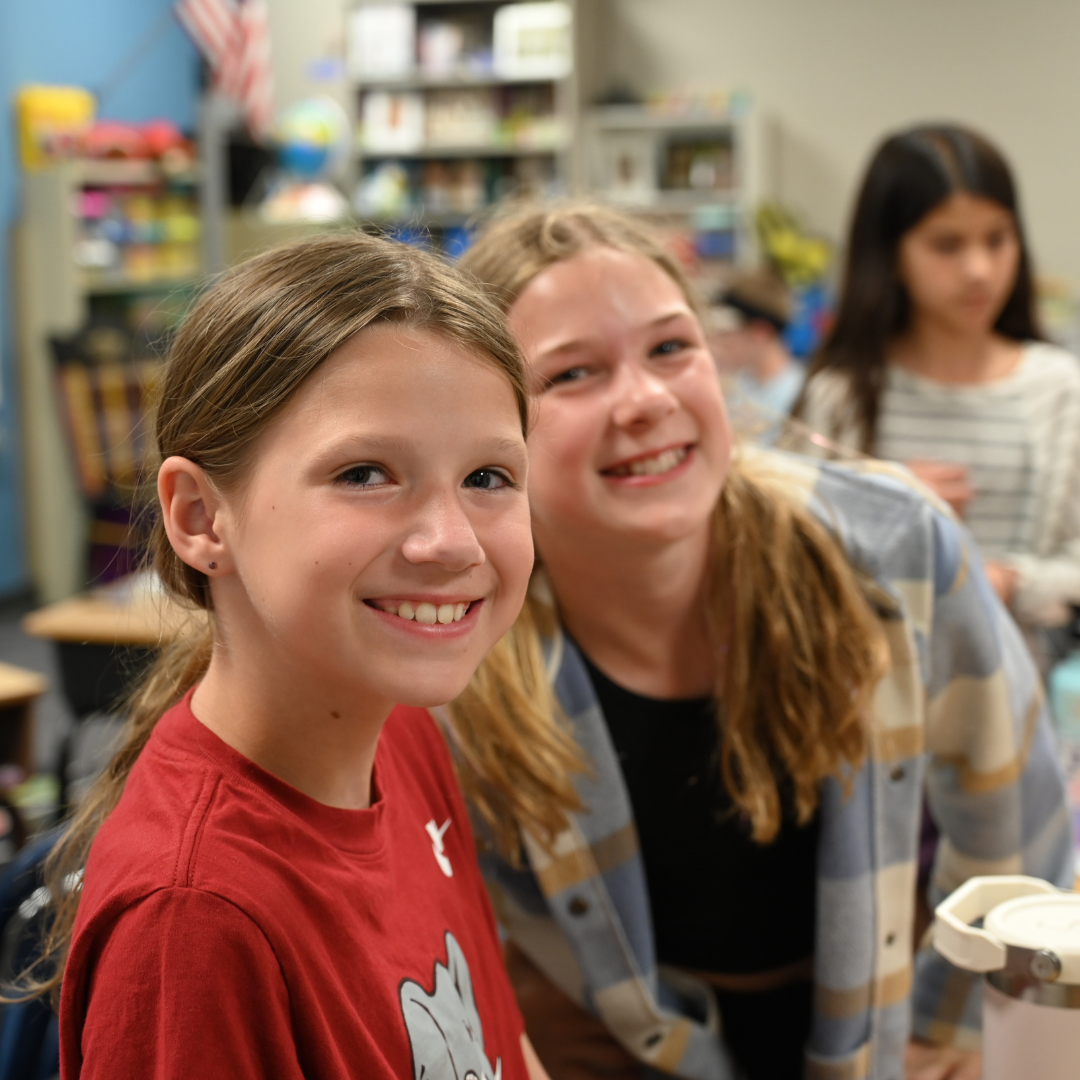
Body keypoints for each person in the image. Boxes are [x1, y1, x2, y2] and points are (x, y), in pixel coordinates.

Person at [443, 204, 1074, 1080]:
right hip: (629, 1040)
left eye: (671, 348)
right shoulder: (461, 641)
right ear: (489, 432)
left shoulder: (890, 549)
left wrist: (949, 1024)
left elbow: (1012, 814)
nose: (646, 401)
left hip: (880, 1019)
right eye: (575, 373)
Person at [32, 234, 550, 1080]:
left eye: (489, 478)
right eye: (366, 473)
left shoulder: (400, 727)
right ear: (200, 517)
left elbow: (502, 1044)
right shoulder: (194, 925)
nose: (450, 541)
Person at [792, 124, 1080, 652]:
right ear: (890, 254)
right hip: (869, 708)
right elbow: (784, 560)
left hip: (1021, 710)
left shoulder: (1059, 389)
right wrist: (877, 508)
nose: (979, 270)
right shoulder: (840, 398)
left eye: (998, 238)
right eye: (946, 245)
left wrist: (1009, 582)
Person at [708, 267, 805, 422]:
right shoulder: (736, 388)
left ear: (761, 332)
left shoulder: (801, 397)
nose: (717, 342)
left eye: (726, 332)